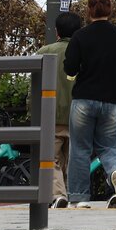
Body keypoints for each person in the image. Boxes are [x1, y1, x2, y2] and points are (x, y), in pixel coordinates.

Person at [63, 0, 116, 207]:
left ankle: (80, 197)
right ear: (110, 9)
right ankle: (115, 171)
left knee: (80, 149)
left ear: (89, 9)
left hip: (84, 99)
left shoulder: (80, 36)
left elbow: (71, 67)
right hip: (112, 101)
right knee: (110, 147)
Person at [39, 11, 81, 208]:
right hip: (78, 115)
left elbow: (34, 85)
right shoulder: (84, 52)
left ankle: (58, 194)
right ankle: (71, 194)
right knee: (73, 159)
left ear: (57, 32)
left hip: (51, 115)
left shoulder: (44, 52)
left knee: (51, 158)